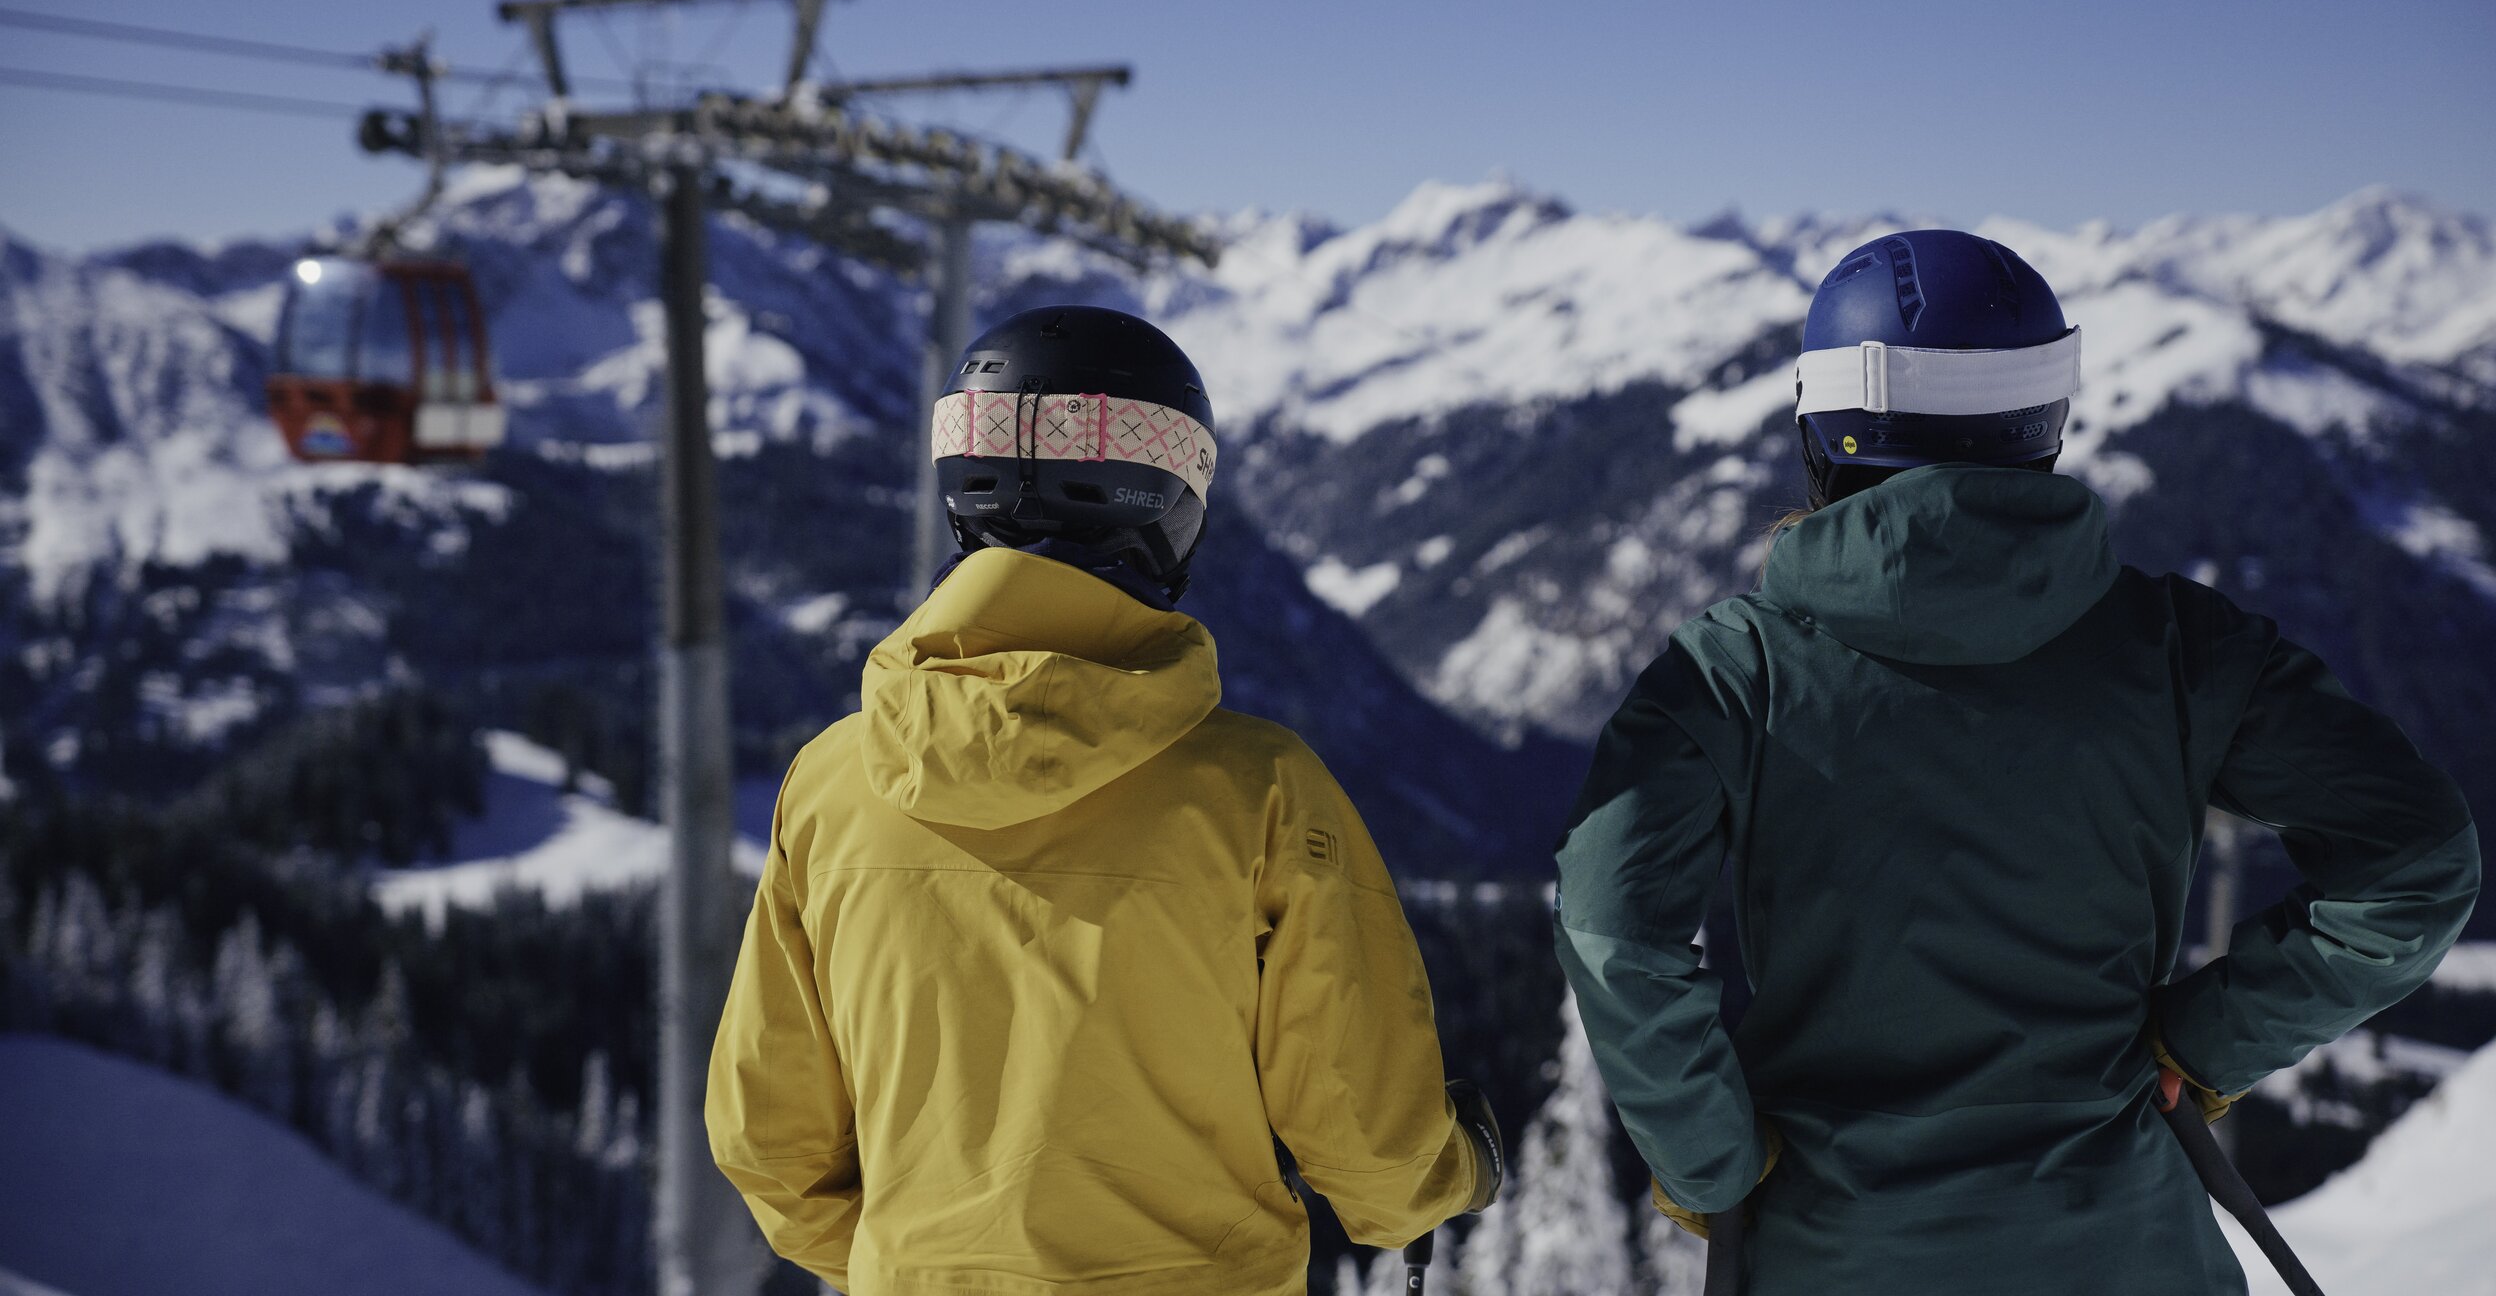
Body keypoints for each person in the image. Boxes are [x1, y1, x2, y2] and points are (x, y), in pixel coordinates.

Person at [1552, 230, 2479, 1295]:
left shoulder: (1728, 674)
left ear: (1824, 430)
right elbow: (2418, 858)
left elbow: (1613, 921)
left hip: (1841, 1251)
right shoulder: (2182, 648)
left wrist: (1708, 1155)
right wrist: (2209, 1036)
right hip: (2130, 1250)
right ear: (2046, 417)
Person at [707, 305, 1502, 1295]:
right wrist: (1460, 1167)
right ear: (1166, 499)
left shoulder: (828, 785)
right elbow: (1374, 1157)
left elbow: (770, 1142)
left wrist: (919, 1262)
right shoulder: (1260, 791)